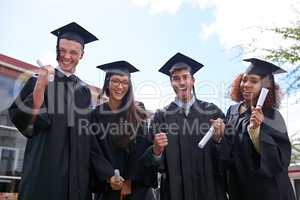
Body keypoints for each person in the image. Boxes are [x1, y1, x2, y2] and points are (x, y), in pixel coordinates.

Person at [8, 22, 114, 200]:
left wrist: (107, 172)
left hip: (77, 180)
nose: (66, 56)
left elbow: (87, 136)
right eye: (62, 50)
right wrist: (40, 87)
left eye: (73, 52)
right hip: (45, 175)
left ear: (82, 54)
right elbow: (26, 125)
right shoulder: (38, 81)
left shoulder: (84, 91)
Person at [144, 52, 227, 200]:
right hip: (175, 191)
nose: (181, 82)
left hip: (209, 189)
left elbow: (228, 155)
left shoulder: (212, 112)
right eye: (176, 78)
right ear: (171, 83)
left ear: (193, 80)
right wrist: (156, 151)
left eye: (185, 77)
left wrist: (218, 141)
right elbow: (151, 163)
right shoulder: (161, 117)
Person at [220, 58, 296, 200]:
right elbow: (227, 151)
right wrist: (218, 136)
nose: (246, 85)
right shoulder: (232, 112)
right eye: (244, 80)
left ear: (265, 87)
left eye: (254, 81)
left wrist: (256, 133)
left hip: (269, 191)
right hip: (241, 189)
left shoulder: (272, 116)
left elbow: (279, 162)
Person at [91, 61, 157, 200]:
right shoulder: (96, 115)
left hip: (136, 188)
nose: (120, 86)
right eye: (115, 81)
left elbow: (143, 147)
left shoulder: (138, 112)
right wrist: (110, 176)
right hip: (108, 186)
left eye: (125, 82)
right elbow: (94, 150)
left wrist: (128, 180)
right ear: (107, 83)